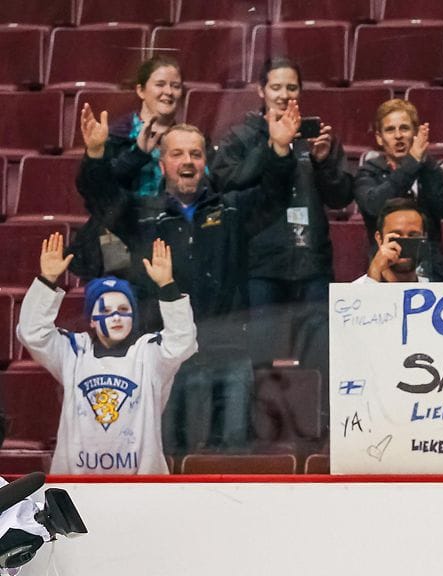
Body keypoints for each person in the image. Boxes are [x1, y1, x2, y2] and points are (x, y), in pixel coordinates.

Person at [77, 101, 298, 454]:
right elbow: (100, 196)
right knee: (168, 455)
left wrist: (281, 149)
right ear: (162, 164)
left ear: (204, 162)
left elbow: (275, 195)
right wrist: (95, 153)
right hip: (166, 357)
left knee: (231, 458)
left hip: (229, 352)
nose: (188, 162)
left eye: (195, 154)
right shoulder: (141, 215)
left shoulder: (231, 209)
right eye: (178, 154)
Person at [211, 56, 353, 373]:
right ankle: (260, 422)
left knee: (319, 357)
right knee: (261, 359)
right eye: (276, 87)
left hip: (311, 262)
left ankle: (318, 422)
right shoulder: (240, 137)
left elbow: (342, 196)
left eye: (291, 87)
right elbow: (226, 181)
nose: (284, 94)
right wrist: (273, 148)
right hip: (261, 261)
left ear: (300, 92)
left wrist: (323, 162)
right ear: (261, 91)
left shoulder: (316, 137)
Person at [17, 233, 197, 474]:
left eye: (123, 309)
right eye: (106, 310)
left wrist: (167, 287)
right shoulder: (73, 352)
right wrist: (47, 280)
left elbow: (182, 341)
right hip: (77, 487)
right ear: (91, 320)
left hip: (141, 489)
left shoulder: (149, 355)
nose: (115, 317)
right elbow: (32, 333)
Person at [69, 55, 186, 281]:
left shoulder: (189, 139)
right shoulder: (114, 135)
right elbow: (96, 190)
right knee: (119, 307)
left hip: (167, 238)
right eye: (160, 84)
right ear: (141, 90)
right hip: (116, 239)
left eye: (176, 86)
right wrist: (139, 153)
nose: (169, 92)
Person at [354, 98, 443, 279]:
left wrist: (425, 165)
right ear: (379, 138)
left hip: (432, 272)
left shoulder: (432, 167)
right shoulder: (368, 172)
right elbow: (373, 206)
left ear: (415, 133)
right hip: (384, 271)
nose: (398, 136)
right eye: (390, 130)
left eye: (404, 128)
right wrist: (411, 164)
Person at [355, 198, 436, 284]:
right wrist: (374, 271)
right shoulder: (353, 292)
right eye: (396, 236)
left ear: (424, 238)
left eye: (413, 235)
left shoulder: (437, 291)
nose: (404, 244)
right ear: (379, 239)